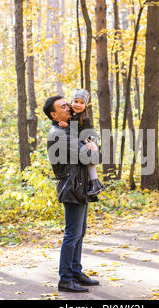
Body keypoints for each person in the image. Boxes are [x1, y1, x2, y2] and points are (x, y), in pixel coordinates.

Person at [43, 95, 101, 293]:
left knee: (80, 233)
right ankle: (65, 279)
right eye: (63, 106)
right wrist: (93, 148)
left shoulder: (67, 129)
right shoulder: (58, 134)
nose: (69, 108)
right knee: (72, 234)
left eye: (68, 105)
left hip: (79, 185)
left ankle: (75, 271)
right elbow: (89, 155)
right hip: (72, 187)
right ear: (53, 114)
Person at [58, 89, 106, 197]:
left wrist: (67, 127)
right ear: (71, 102)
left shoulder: (86, 119)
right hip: (81, 140)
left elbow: (79, 135)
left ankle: (95, 182)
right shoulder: (70, 115)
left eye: (82, 102)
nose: (78, 105)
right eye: (76, 101)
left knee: (87, 155)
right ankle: (93, 183)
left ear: (85, 105)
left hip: (89, 139)